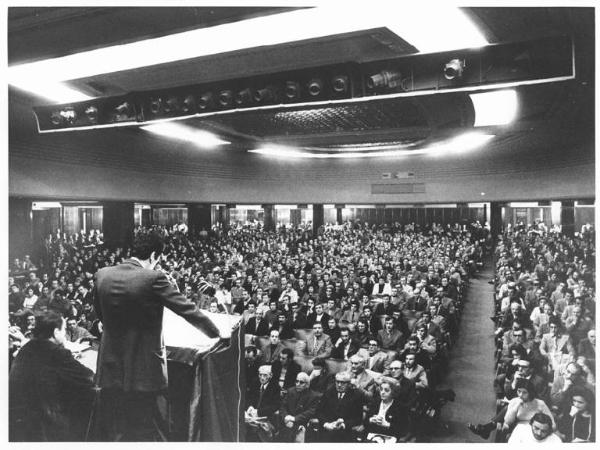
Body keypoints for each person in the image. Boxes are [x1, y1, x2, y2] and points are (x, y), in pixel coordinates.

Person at [92, 232, 221, 441]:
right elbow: (186, 309)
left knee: (117, 429)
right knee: (146, 430)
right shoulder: (153, 278)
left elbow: (100, 315)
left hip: (109, 368)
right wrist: (216, 333)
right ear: (153, 255)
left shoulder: (102, 274)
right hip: (143, 372)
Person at [9, 311, 95, 441]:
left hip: (17, 422)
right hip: (44, 426)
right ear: (55, 332)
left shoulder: (26, 348)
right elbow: (89, 378)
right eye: (64, 330)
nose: (65, 334)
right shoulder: (56, 352)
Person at [314, 371, 364, 442]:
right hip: (327, 430)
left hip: (345, 433)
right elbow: (318, 411)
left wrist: (343, 425)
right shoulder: (328, 392)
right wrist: (326, 424)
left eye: (343, 383)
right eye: (337, 382)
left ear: (349, 384)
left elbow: (358, 418)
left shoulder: (356, 396)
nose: (339, 385)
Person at [278, 372, 321, 442]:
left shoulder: (313, 396)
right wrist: (286, 417)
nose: (298, 384)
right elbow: (283, 406)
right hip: (286, 422)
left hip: (302, 424)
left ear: (307, 384)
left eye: (301, 382)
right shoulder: (290, 391)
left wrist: (294, 419)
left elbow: (310, 412)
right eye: (297, 381)